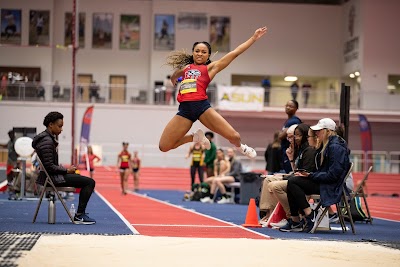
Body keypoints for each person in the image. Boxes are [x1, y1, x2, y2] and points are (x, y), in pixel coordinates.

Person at [159, 26, 268, 160]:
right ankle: (195, 137)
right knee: (164, 146)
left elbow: (235, 53)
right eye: (197, 51)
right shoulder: (186, 68)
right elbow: (177, 73)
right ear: (193, 53)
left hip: (201, 107)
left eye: (203, 52)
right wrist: (173, 78)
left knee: (235, 137)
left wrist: (253, 38)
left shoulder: (211, 68)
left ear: (208, 55)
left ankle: (242, 147)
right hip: (185, 110)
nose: (200, 54)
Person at [279, 118, 350, 233]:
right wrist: (309, 175)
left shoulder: (335, 147)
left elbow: (332, 176)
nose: (316, 134)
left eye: (318, 131)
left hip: (331, 186)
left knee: (293, 182)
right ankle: (297, 219)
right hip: (325, 182)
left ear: (327, 131)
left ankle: (308, 215)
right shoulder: (328, 145)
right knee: (293, 180)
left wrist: (311, 175)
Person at [32, 111, 96, 224]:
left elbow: (50, 165)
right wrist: (66, 170)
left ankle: (80, 214)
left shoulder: (46, 139)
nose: (61, 129)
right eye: (59, 126)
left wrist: (66, 170)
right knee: (89, 182)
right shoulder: (46, 141)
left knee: (79, 177)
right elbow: (50, 167)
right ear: (51, 125)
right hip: (52, 179)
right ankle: (80, 215)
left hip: (52, 177)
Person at [278, 100, 302, 173]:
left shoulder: (294, 121)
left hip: (290, 153)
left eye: (291, 106)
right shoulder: (289, 120)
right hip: (286, 152)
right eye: (287, 105)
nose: (288, 108)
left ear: (296, 108)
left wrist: (282, 133)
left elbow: (281, 136)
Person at [0, 130, 19, 199]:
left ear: (13, 134)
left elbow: (18, 152)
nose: (10, 136)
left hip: (14, 161)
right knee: (8, 175)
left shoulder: (16, 142)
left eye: (11, 135)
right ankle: (9, 188)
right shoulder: (9, 141)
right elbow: (5, 145)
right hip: (9, 161)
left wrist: (17, 163)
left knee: (13, 175)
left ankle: (14, 189)